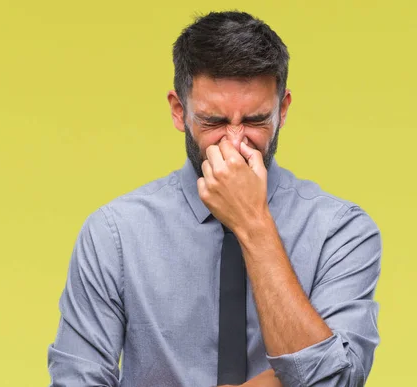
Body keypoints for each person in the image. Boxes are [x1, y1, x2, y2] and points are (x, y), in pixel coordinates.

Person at [47, 10, 381, 387]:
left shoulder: (342, 231)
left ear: (282, 110)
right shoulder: (114, 235)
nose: (235, 142)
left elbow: (331, 382)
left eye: (255, 120)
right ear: (179, 111)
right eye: (214, 122)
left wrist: (252, 223)